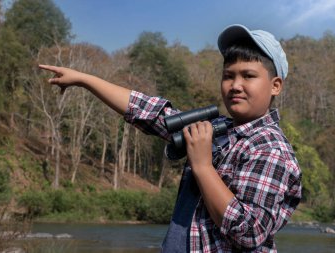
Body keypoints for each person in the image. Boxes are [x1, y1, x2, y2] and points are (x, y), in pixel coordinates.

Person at [39, 24, 302, 252]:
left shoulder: (270, 148)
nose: (235, 85)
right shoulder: (218, 128)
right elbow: (152, 114)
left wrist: (202, 166)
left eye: (249, 76)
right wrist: (85, 80)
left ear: (275, 85)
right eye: (228, 75)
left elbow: (249, 231)